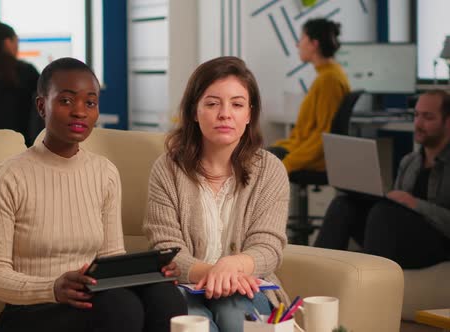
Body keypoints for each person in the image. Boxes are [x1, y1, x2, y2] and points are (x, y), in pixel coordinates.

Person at [0, 57, 187, 332]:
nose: (80, 112)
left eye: (90, 103)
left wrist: (149, 273)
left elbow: (112, 256)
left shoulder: (104, 172)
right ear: (42, 106)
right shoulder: (7, 177)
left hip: (93, 300)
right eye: (66, 101)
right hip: (32, 311)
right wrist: (52, 288)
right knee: (120, 308)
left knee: (165, 295)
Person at [143, 56, 290, 332]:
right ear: (194, 112)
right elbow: (165, 249)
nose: (225, 114)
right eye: (212, 104)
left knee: (235, 313)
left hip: (249, 287)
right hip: (184, 287)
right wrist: (215, 274)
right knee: (196, 324)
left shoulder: (271, 170)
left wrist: (235, 265)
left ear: (249, 114)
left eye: (237, 104)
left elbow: (269, 246)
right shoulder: (167, 169)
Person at [315, 90, 450, 269]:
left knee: (383, 213)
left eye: (428, 117)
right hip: (402, 236)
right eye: (416, 115)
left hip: (437, 243)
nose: (418, 123)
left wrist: (414, 204)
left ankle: (372, 282)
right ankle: (318, 274)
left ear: (447, 122)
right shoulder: (410, 162)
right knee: (343, 204)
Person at [268, 18, 350, 173]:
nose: (298, 45)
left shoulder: (329, 79)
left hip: (316, 158)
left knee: (256, 164)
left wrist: (288, 163)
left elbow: (323, 137)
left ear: (314, 44)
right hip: (303, 149)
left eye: (301, 39)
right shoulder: (327, 75)